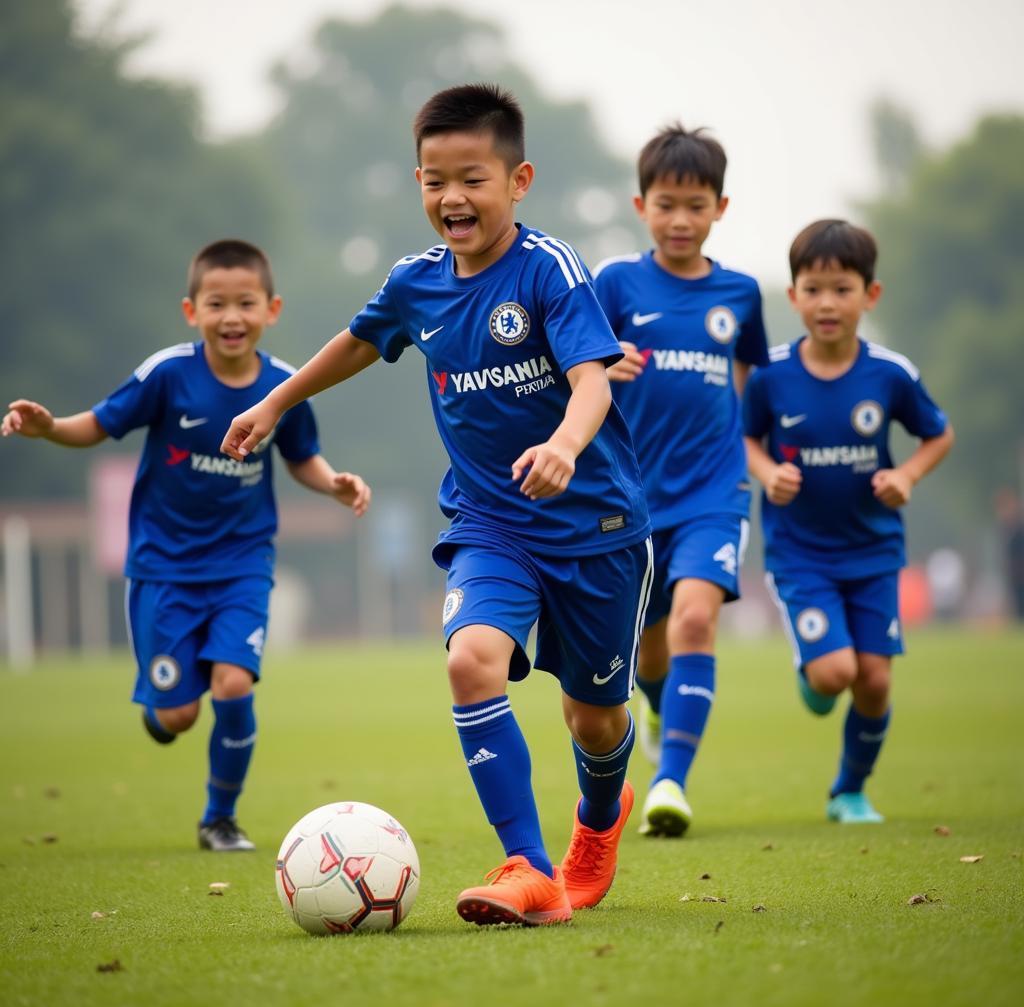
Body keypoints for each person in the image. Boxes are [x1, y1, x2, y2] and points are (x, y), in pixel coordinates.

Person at [220, 84, 653, 926]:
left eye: (472, 179)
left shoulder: (549, 269)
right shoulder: (414, 284)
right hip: (492, 523)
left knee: (594, 721)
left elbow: (593, 382)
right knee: (469, 661)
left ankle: (597, 824)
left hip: (596, 528)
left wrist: (564, 445)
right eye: (432, 180)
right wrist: (276, 402)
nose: (451, 198)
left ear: (518, 179)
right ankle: (529, 867)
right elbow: (357, 341)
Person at [2, 239, 371, 851]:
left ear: (271, 309)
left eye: (246, 303)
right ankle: (162, 704)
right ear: (190, 310)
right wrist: (49, 428)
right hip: (164, 569)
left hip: (242, 565)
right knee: (177, 716)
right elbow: (98, 424)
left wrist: (332, 483)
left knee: (233, 683)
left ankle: (218, 819)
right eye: (216, 303)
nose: (232, 316)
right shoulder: (167, 375)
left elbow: (301, 456)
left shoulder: (284, 386)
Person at [742, 219, 954, 823]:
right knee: (836, 674)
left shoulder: (889, 374)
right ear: (793, 297)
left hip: (874, 551)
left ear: (870, 295)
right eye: (813, 289)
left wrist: (907, 475)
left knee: (876, 683)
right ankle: (814, 669)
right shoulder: (771, 374)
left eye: (841, 289)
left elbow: (938, 435)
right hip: (800, 553)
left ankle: (850, 791)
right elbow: (743, 438)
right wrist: (766, 471)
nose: (827, 303)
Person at [593, 124, 769, 837]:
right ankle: (663, 707)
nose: (680, 220)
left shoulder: (742, 293)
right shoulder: (616, 284)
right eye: (667, 204)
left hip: (714, 493)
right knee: (649, 651)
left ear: (719, 208)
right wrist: (605, 368)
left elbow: (749, 376)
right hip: (630, 498)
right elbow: (574, 371)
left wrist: (748, 453)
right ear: (642, 206)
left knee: (698, 618)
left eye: (695, 205)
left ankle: (670, 782)